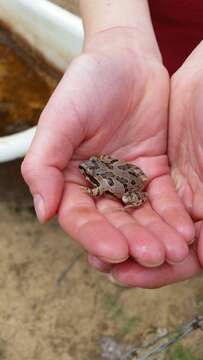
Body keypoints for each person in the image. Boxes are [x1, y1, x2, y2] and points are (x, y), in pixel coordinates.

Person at [21, 0, 203, 288]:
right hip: (149, 42)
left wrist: (95, 188)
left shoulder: (98, 179)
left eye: (89, 171)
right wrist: (118, 35)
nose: (87, 170)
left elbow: (101, 185)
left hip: (187, 68)